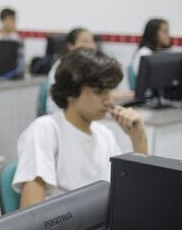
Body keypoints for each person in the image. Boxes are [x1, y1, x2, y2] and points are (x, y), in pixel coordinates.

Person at [14, 48, 147, 209]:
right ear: (71, 92)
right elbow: (30, 216)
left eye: (110, 91)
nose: (109, 100)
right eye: (99, 92)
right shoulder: (46, 130)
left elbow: (132, 198)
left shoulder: (105, 135)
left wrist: (138, 138)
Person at [45, 28, 98, 114]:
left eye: (92, 41)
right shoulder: (64, 66)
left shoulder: (87, 66)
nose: (91, 46)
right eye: (85, 42)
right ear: (71, 46)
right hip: (60, 113)